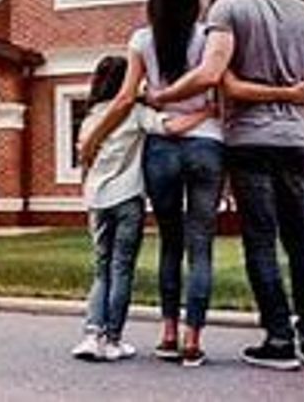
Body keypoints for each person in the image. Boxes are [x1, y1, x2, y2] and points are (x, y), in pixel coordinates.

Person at [79, 0, 304, 368]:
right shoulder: (209, 36)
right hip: (207, 145)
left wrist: (95, 136)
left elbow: (125, 99)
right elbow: (224, 88)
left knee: (170, 243)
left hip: (161, 150)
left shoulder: (141, 40)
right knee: (200, 246)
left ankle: (167, 334)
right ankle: (192, 341)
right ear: (194, 2)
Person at [150, 0, 304, 371]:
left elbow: (211, 73)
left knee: (261, 239)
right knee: (302, 240)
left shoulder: (229, 8)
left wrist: (162, 95)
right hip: (295, 141)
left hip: (249, 142)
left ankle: (279, 339)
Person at [72, 55, 216, 362]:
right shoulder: (135, 113)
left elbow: (85, 161)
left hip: (96, 202)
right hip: (127, 200)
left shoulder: (90, 118)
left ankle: (91, 335)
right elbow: (172, 127)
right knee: (121, 269)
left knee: (101, 270)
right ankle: (113, 340)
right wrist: (206, 112)